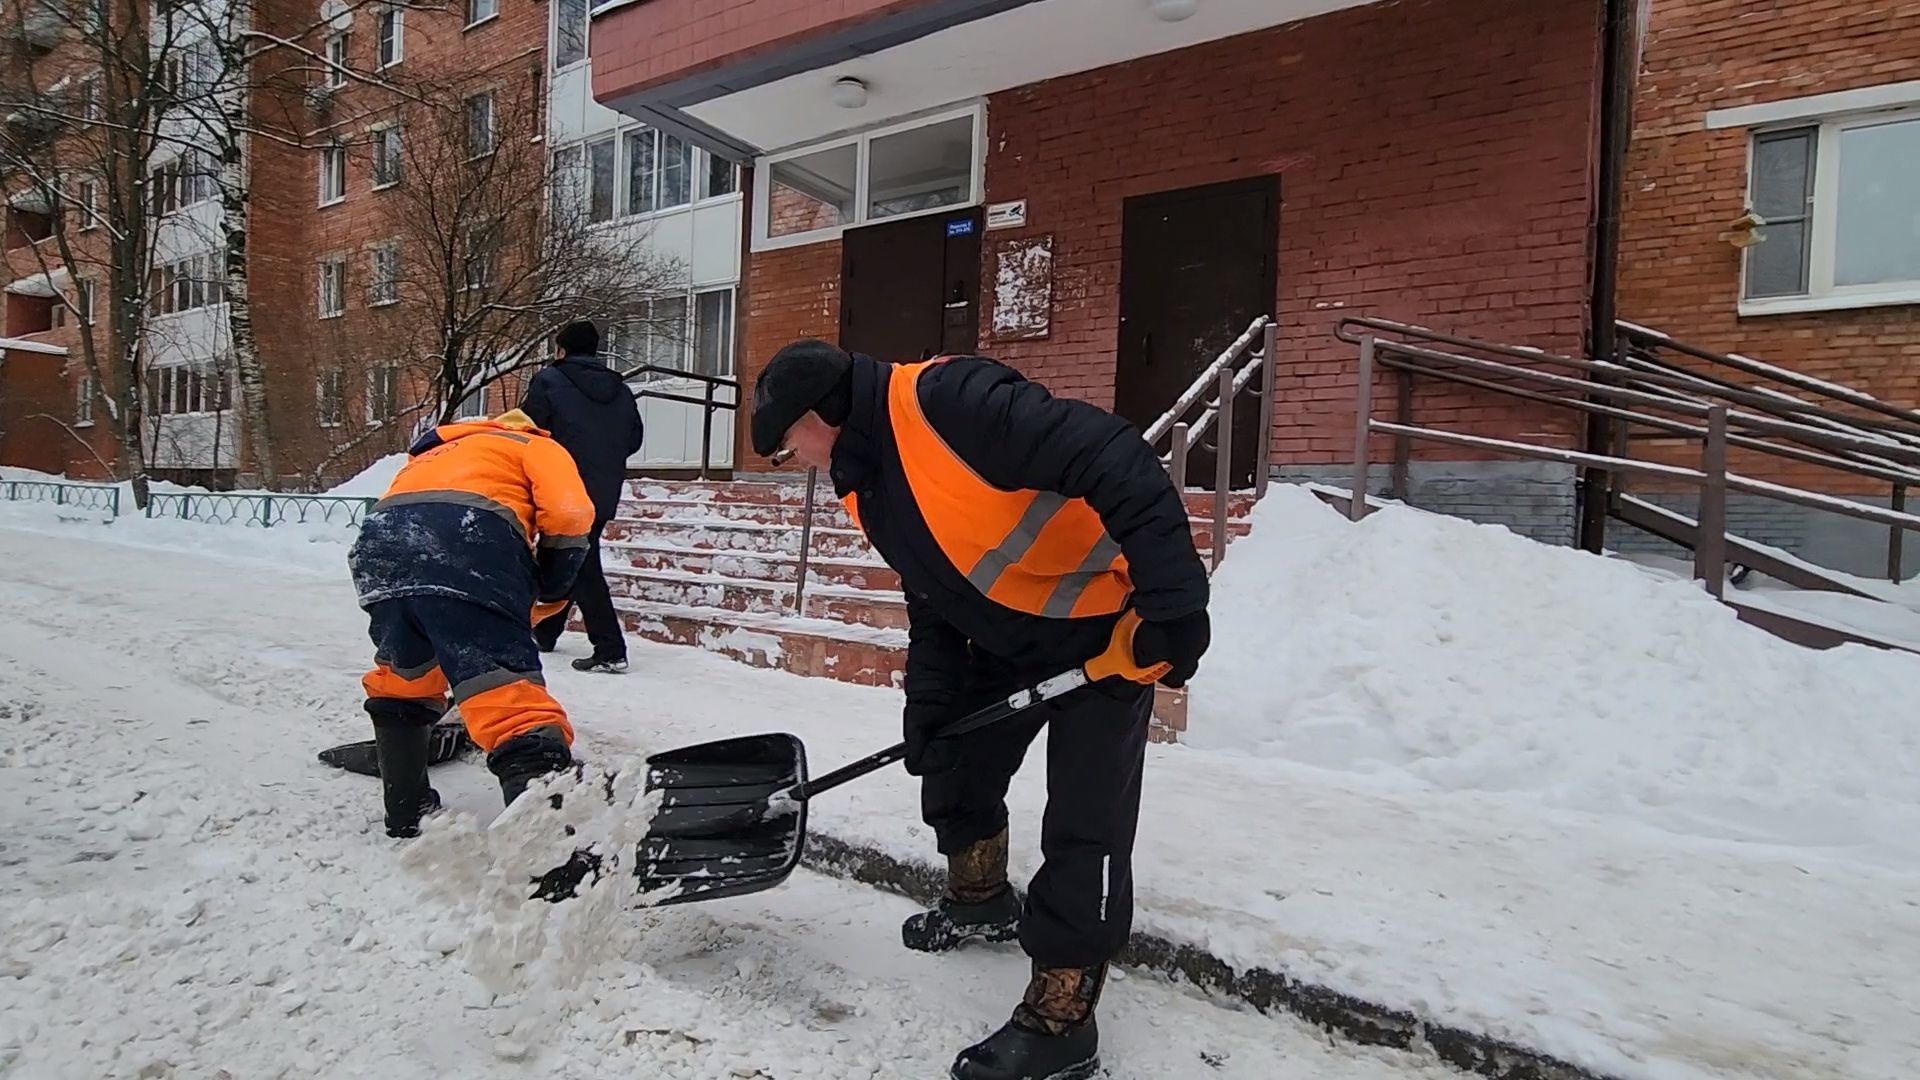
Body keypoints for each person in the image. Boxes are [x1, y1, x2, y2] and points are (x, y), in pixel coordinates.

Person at [749, 340, 1211, 1080]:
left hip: (1103, 631)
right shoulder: (864, 477)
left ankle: (1063, 1013)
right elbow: (931, 591)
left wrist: (1175, 605)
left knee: (1085, 825)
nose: (794, 459)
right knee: (954, 769)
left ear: (813, 417)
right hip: (1003, 636)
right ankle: (981, 901)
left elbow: (1113, 455)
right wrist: (931, 701)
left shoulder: (949, 401)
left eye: (787, 446)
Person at [347, 407, 596, 838]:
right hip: (469, 544)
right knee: (506, 696)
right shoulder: (536, 444)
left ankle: (407, 809)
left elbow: (415, 518)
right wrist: (553, 590)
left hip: (380, 550)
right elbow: (570, 514)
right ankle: (550, 855)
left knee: (405, 674)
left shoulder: (434, 453)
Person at [521, 320, 645, 673]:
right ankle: (546, 632)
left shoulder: (549, 381)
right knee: (573, 558)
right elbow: (633, 438)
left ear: (562, 350)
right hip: (605, 488)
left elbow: (529, 430)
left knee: (582, 565)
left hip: (563, 487)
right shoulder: (619, 388)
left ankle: (610, 649)